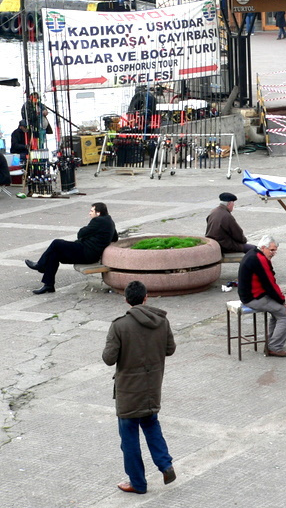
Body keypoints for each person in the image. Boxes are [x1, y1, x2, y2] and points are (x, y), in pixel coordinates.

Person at [103, 280, 177, 495]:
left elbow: (109, 359)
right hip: (152, 388)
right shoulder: (162, 321)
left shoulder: (119, 326)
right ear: (146, 297)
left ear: (126, 300)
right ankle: (166, 465)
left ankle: (137, 482)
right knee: (151, 425)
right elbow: (170, 349)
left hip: (128, 392)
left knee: (129, 438)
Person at [25, 202, 118, 294]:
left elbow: (81, 234)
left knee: (56, 243)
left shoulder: (98, 221)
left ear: (98, 213)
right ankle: (48, 285)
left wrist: (90, 234)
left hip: (86, 253)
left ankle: (40, 265)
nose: (89, 213)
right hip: (90, 253)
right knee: (54, 254)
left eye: (91, 211)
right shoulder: (110, 222)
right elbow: (115, 237)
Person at [237, 235, 286, 357]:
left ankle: (270, 343)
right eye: (272, 250)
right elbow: (270, 283)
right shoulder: (260, 259)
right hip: (254, 298)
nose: (274, 253)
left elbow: (269, 283)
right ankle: (274, 347)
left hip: (251, 295)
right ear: (263, 248)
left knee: (278, 312)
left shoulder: (254, 253)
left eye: (275, 250)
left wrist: (279, 300)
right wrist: (283, 301)